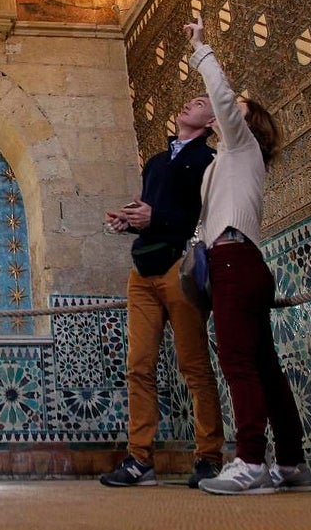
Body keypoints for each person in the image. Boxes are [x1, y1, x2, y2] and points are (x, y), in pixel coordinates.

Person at [182, 13, 311, 495]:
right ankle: (293, 464)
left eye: (235, 108)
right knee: (265, 368)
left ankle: (252, 463)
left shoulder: (241, 147)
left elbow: (221, 97)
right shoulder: (227, 161)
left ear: (245, 122)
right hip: (244, 263)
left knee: (239, 364)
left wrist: (201, 48)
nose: (225, 111)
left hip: (236, 263)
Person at [99, 93, 225, 489]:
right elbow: (152, 214)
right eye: (189, 99)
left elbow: (200, 218)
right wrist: (131, 221)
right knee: (139, 365)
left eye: (201, 102)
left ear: (210, 123)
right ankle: (139, 460)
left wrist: (156, 217)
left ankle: (208, 457)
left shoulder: (208, 162)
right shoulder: (155, 161)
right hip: (142, 272)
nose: (190, 103)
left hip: (178, 267)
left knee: (193, 364)